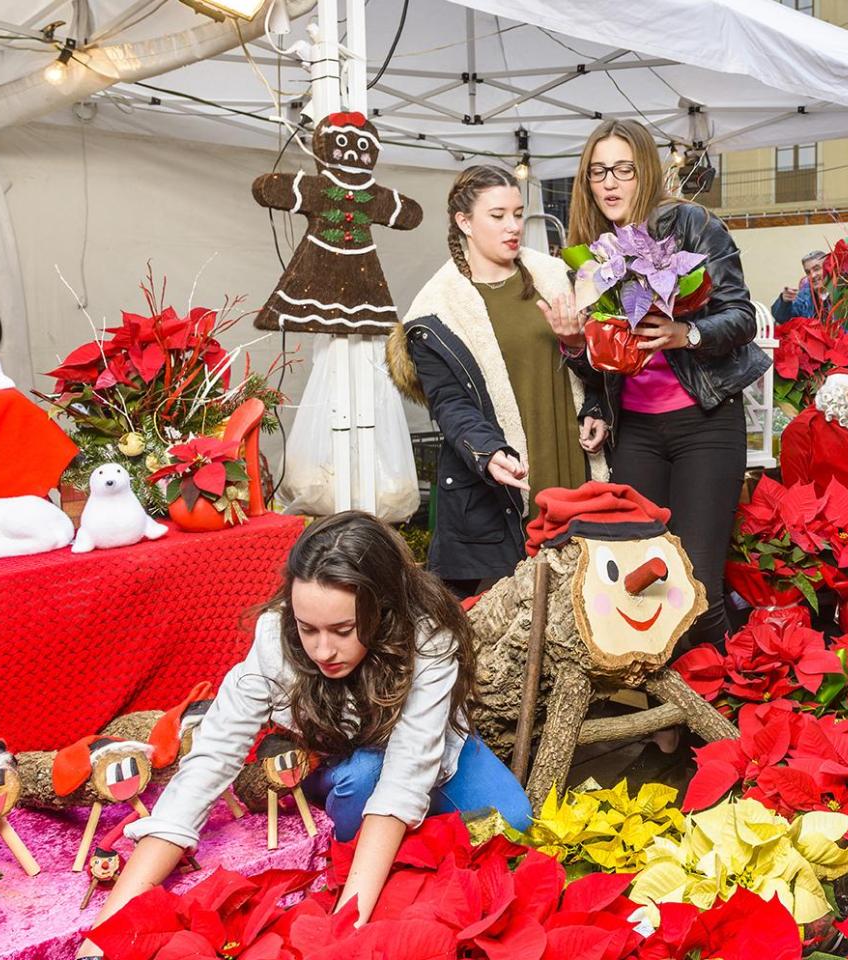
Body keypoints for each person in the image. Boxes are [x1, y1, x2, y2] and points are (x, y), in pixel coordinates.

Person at [78, 513, 532, 951]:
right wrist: (109, 929)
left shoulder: (428, 640)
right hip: (339, 756)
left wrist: (342, 930)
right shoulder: (275, 640)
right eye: (307, 628)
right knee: (361, 784)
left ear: (383, 610)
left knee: (514, 823)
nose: (322, 650)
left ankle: (392, 848)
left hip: (425, 745)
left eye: (342, 629)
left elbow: (409, 770)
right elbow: (208, 765)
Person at [567, 118, 768, 651]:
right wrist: (592, 396)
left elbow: (741, 318)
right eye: (598, 172)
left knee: (697, 587)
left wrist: (687, 332)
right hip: (635, 434)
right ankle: (669, 724)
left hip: (703, 424)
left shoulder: (691, 224)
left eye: (623, 170)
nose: (609, 183)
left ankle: (723, 719)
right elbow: (601, 359)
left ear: (646, 172)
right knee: (649, 581)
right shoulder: (591, 251)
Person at [387, 165, 605, 598]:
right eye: (498, 215)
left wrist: (593, 398)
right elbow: (450, 404)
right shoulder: (435, 312)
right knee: (509, 620)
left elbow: (597, 363)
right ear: (464, 222)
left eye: (518, 213)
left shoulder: (556, 278)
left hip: (573, 464)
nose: (513, 227)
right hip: (509, 483)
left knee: (583, 604)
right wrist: (487, 453)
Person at [791, 250, 829, 319]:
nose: (813, 275)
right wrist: (784, 302)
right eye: (808, 272)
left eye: (816, 269)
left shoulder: (841, 291)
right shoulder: (803, 296)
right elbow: (784, 318)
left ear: (828, 268)